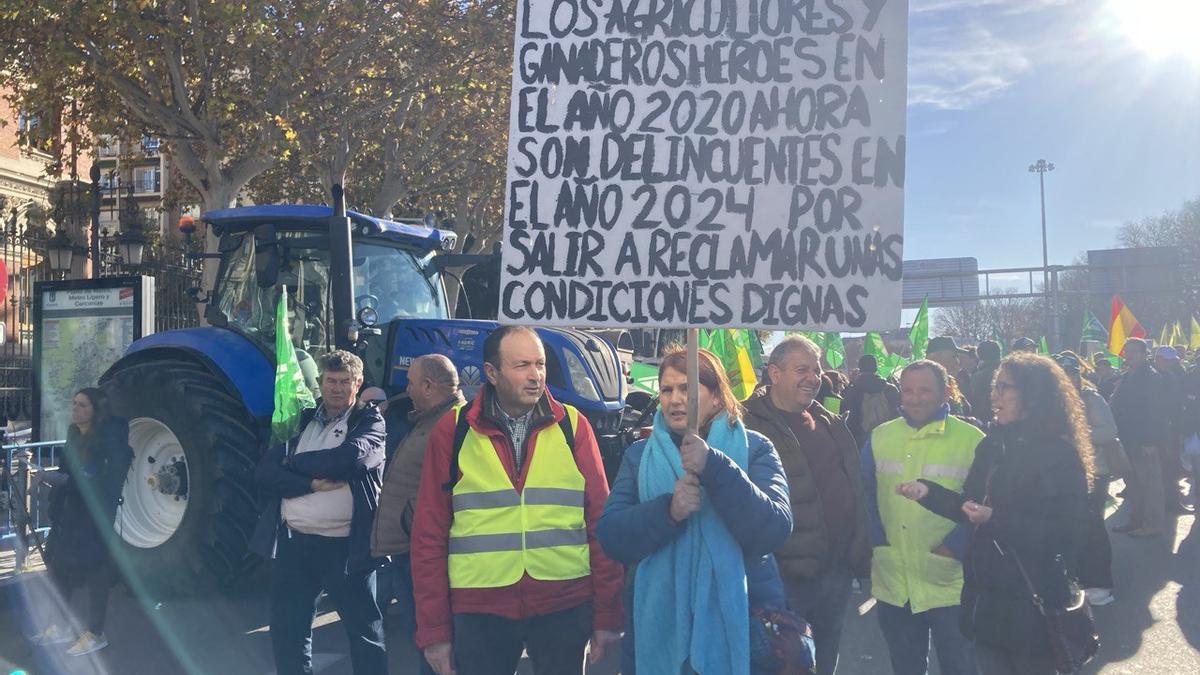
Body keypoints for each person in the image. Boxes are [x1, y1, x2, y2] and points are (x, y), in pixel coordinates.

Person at [410, 325, 623, 675]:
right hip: (480, 611)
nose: (535, 375)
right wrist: (433, 630)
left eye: (540, 364)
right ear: (492, 373)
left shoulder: (574, 426)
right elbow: (428, 536)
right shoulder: (452, 430)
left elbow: (602, 525)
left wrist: (606, 615)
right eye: (522, 365)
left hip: (564, 606)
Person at [597, 348, 792, 674]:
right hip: (656, 626)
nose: (675, 399)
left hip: (742, 619)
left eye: (687, 388)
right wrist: (668, 512)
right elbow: (612, 536)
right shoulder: (638, 455)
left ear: (717, 397)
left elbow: (773, 529)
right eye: (667, 389)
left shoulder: (755, 448)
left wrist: (715, 467)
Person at [896, 353, 1093, 675]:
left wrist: (996, 520)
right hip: (985, 603)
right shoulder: (993, 444)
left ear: (1032, 395)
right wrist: (929, 493)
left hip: (1033, 604)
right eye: (994, 386)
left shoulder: (1058, 454)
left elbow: (1069, 535)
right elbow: (970, 506)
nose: (994, 395)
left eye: (1005, 387)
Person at [251, 350, 388, 675]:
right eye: (330, 381)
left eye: (344, 382)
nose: (337, 388)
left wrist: (293, 464)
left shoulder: (369, 422)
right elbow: (264, 474)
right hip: (295, 545)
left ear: (358, 384)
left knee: (365, 633)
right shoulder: (301, 422)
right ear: (320, 383)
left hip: (344, 549)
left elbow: (351, 460)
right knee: (288, 630)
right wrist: (311, 483)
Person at [743, 336, 870, 675]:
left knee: (824, 662)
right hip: (782, 581)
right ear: (774, 372)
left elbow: (854, 487)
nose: (813, 377)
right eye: (802, 369)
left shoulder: (829, 421)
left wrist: (858, 552)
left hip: (835, 574)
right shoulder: (744, 424)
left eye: (816, 369)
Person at [860, 361, 984, 675]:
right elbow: (864, 497)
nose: (915, 398)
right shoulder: (879, 437)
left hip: (951, 582)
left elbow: (986, 503)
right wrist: (878, 542)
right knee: (906, 667)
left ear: (945, 392)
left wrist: (955, 546)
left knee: (961, 666)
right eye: (908, 390)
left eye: (925, 390)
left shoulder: (973, 440)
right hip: (894, 581)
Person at [371, 355, 465, 673]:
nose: (407, 390)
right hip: (409, 549)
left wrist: (412, 525)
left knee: (434, 647)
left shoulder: (452, 426)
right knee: (425, 642)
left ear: (427, 386)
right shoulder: (429, 421)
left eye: (411, 383)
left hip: (422, 554)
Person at [30, 388, 132, 656]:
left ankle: (95, 633)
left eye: (82, 405)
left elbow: (99, 481)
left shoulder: (109, 440)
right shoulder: (75, 435)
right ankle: (60, 625)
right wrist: (56, 480)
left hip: (95, 514)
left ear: (96, 410)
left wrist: (59, 480)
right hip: (69, 512)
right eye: (74, 404)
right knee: (60, 567)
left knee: (96, 571)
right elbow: (69, 472)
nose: (75, 409)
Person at [1054, 353, 1118, 606]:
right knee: (1068, 528)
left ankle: (1100, 583)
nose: (1065, 378)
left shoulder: (1091, 398)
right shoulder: (1050, 401)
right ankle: (1076, 578)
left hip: (1093, 472)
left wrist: (1077, 434)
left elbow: (1110, 431)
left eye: (1069, 373)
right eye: (1060, 374)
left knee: (1092, 529)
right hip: (1062, 473)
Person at [1109, 338, 1169, 537]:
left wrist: (1150, 442)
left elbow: (1157, 413)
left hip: (1143, 442)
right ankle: (1136, 520)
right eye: (1127, 351)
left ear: (1145, 354)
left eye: (1135, 351)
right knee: (1133, 484)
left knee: (1150, 485)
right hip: (1127, 440)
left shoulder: (1151, 378)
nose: (1130, 355)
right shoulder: (1129, 375)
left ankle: (1152, 524)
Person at [1153, 346, 1191, 513]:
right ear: (1158, 359)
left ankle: (1170, 501)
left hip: (1172, 426)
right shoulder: (1154, 377)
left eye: (1173, 360)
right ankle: (1170, 502)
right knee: (1167, 467)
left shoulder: (1172, 375)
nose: (1171, 363)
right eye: (1167, 360)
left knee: (1171, 466)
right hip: (1164, 428)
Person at [843, 354, 901, 447]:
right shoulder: (891, 389)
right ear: (876, 367)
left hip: (860, 440)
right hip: (888, 438)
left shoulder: (852, 391)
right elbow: (898, 413)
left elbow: (847, 415)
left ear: (860, 368)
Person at [926, 337, 972, 417]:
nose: (957, 361)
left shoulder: (950, 383)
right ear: (937, 356)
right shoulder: (922, 384)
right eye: (954, 356)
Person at [969, 341, 1002, 423]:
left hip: (986, 423)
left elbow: (977, 403)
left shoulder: (978, 376)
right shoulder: (1007, 372)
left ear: (980, 356)